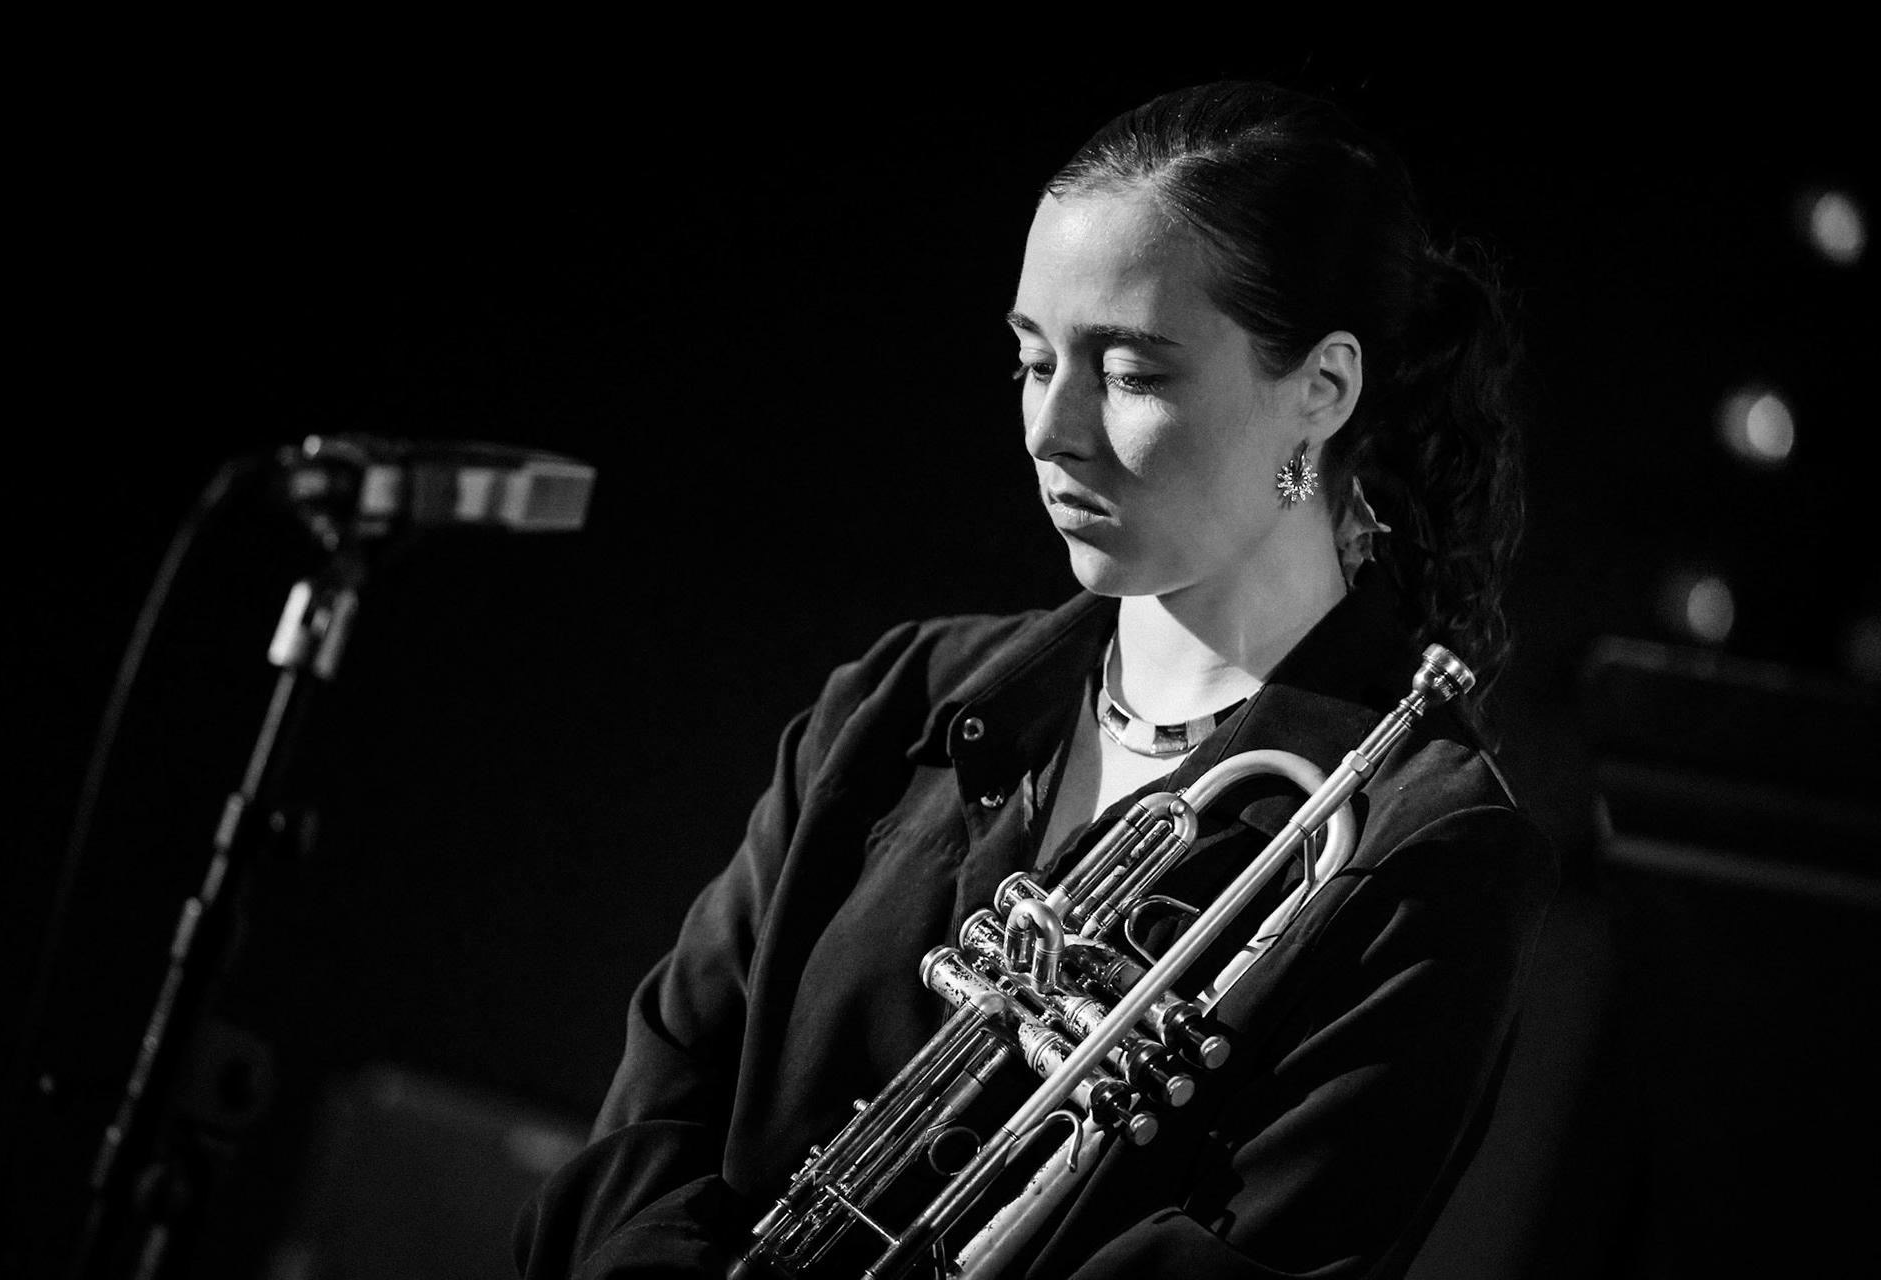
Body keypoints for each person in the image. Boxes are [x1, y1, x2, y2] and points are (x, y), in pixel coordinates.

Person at [516, 80, 1555, 1279]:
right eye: (1031, 359)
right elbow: (646, 1124)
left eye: (1131, 373)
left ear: (1321, 388)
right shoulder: (899, 699)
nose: (1048, 428)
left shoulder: (1430, 846)